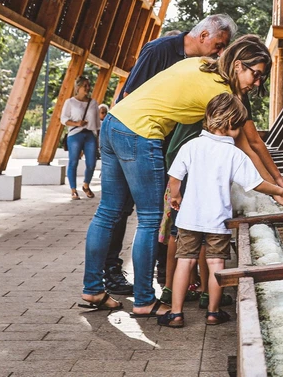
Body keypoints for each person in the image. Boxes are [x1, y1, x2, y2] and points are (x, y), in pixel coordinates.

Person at [79, 36, 283, 317]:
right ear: (239, 65)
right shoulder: (221, 95)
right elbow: (250, 145)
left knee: (108, 211)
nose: (256, 83)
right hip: (140, 132)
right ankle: (145, 300)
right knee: (149, 218)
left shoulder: (202, 64)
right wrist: (280, 186)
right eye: (256, 75)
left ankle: (93, 288)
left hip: (113, 123)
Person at [101, 15, 239, 297]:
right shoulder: (160, 51)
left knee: (161, 216)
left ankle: (163, 279)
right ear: (202, 36)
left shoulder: (201, 66)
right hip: (140, 137)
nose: (221, 51)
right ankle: (119, 277)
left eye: (226, 47)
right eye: (219, 44)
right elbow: (130, 95)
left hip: (160, 143)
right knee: (134, 213)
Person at [159, 93, 283, 327]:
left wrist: (176, 196)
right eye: (239, 126)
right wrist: (280, 192)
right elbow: (255, 184)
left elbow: (174, 177)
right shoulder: (234, 154)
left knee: (185, 262)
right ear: (231, 124)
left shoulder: (191, 145)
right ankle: (213, 312)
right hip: (218, 221)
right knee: (216, 264)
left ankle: (176, 313)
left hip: (189, 219)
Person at [60, 77, 100, 200]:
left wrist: (97, 138)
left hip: (90, 135)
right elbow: (63, 119)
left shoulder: (93, 103)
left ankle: (86, 185)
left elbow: (97, 123)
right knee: (73, 162)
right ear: (78, 88)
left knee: (91, 163)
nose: (88, 88)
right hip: (75, 134)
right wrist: (77, 123)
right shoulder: (70, 102)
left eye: (88, 85)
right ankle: (73, 190)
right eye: (85, 86)